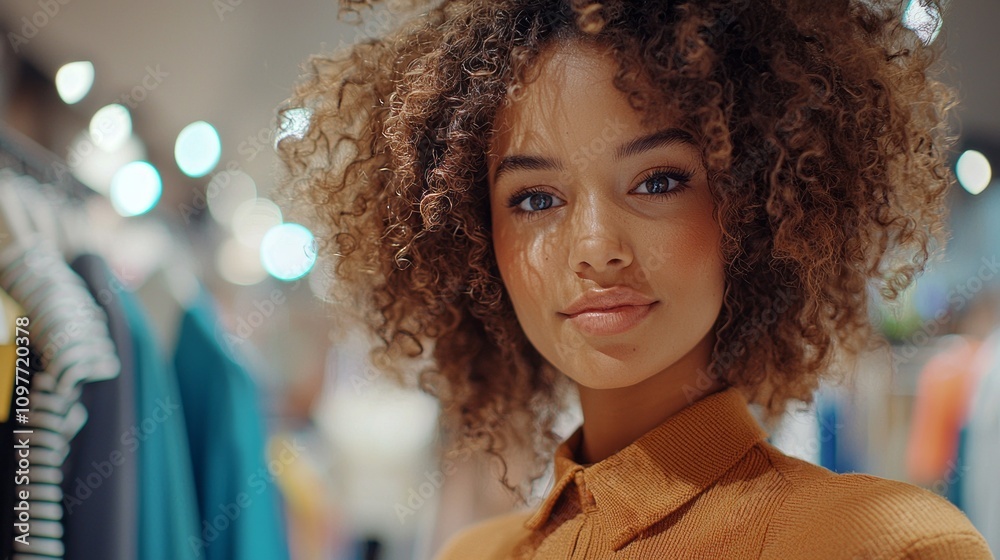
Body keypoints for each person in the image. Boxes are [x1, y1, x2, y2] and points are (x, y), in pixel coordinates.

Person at [276, 0, 994, 557]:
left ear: (748, 206)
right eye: (534, 199)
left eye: (657, 182)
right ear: (474, 239)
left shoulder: (883, 546)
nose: (595, 248)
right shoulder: (474, 554)